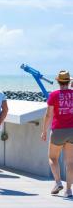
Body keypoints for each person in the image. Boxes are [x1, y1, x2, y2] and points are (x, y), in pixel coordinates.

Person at [41, 70, 73, 198]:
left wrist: (44, 131)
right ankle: (69, 190)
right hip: (72, 130)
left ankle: (58, 182)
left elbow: (49, 115)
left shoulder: (54, 95)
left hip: (58, 130)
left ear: (58, 81)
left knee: (52, 158)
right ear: (69, 81)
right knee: (70, 162)